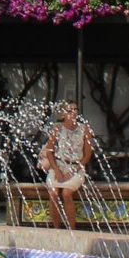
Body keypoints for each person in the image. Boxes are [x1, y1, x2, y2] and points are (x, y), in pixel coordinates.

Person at [40, 99, 96, 232]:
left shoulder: (84, 129)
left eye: (75, 110)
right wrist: (57, 170)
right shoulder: (57, 128)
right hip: (58, 165)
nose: (73, 113)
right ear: (63, 114)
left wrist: (75, 169)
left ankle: (72, 230)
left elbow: (87, 155)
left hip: (76, 167)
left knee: (66, 193)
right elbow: (49, 151)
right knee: (53, 193)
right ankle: (56, 229)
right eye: (70, 110)